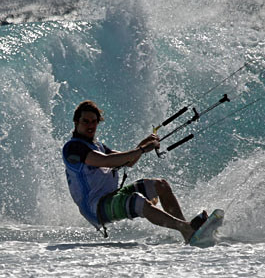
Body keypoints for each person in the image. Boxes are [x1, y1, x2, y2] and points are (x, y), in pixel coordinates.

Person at [62, 100, 206, 242]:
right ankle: (186, 228)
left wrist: (143, 144)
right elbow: (105, 161)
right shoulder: (73, 148)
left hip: (112, 196)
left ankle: (187, 233)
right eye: (85, 121)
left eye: (94, 121)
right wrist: (142, 149)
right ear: (76, 122)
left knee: (161, 185)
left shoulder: (96, 145)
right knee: (138, 201)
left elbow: (127, 161)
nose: (90, 125)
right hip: (96, 207)